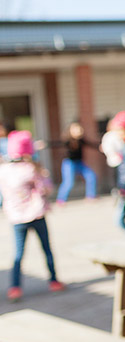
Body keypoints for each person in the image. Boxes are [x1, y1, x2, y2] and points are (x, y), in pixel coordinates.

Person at [0, 130, 65, 301]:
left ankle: (15, 287)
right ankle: (54, 281)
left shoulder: (4, 170)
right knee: (46, 249)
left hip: (16, 217)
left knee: (18, 253)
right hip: (36, 214)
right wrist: (42, 173)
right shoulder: (31, 169)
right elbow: (46, 189)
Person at [54, 121, 99, 205]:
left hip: (79, 163)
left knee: (91, 176)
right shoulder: (67, 141)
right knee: (68, 182)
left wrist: (100, 147)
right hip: (69, 164)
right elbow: (56, 144)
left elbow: (91, 144)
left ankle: (90, 196)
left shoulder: (81, 140)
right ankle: (60, 200)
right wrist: (44, 144)